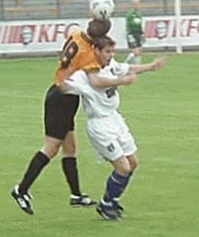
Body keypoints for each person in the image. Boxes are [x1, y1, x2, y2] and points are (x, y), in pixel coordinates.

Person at [10, 19, 135, 215]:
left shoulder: (76, 36)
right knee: (50, 148)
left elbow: (69, 50)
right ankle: (21, 189)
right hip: (61, 98)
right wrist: (123, 80)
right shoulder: (89, 55)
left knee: (70, 147)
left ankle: (76, 195)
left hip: (66, 97)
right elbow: (95, 80)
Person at [64, 37, 165, 220]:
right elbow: (94, 82)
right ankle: (106, 204)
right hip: (99, 124)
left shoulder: (111, 65)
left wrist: (151, 66)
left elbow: (129, 69)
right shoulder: (86, 71)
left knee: (133, 163)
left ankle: (112, 200)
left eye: (112, 52)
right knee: (123, 167)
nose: (111, 56)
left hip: (115, 119)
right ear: (96, 51)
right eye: (107, 52)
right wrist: (122, 81)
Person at [125, 0, 144, 64]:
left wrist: (142, 33)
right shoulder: (130, 14)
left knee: (140, 49)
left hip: (138, 33)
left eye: (138, 4)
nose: (138, 5)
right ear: (132, 5)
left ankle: (138, 65)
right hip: (132, 33)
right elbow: (131, 23)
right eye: (136, 4)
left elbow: (139, 24)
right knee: (135, 50)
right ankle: (126, 63)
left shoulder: (138, 13)